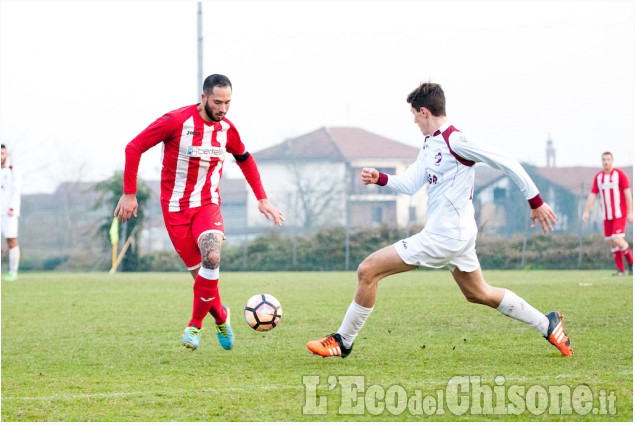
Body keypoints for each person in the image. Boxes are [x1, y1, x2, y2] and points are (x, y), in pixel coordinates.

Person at [307, 82, 572, 358]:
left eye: (413, 114)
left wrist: (536, 202)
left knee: (367, 270)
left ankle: (343, 340)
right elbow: (410, 185)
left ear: (424, 112)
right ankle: (547, 323)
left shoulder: (455, 140)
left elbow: (507, 161)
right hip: (456, 235)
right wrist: (381, 179)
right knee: (478, 293)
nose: (413, 120)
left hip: (445, 236)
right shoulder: (431, 144)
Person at [114, 74, 284, 351]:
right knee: (203, 282)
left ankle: (194, 326)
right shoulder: (175, 122)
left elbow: (245, 159)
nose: (223, 108)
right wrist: (130, 193)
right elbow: (134, 147)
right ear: (203, 98)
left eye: (228, 102)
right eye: (218, 102)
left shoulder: (227, 130)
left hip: (207, 205)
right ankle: (221, 315)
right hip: (175, 210)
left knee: (212, 257)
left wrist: (262, 199)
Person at [582, 152, 633, 276]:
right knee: (612, 241)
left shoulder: (620, 175)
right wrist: (586, 211)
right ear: (601, 161)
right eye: (604, 159)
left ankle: (632, 264)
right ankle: (621, 270)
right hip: (606, 214)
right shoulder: (599, 177)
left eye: (608, 159)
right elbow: (592, 195)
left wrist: (631, 212)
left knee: (617, 238)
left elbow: (627, 194)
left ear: (612, 160)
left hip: (619, 213)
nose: (606, 162)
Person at [1, 144, 21, 282]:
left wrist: (12, 207)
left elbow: (16, 191)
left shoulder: (12, 170)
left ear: (6, 155)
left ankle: (13, 272)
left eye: (3, 153)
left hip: (9, 213)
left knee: (11, 240)